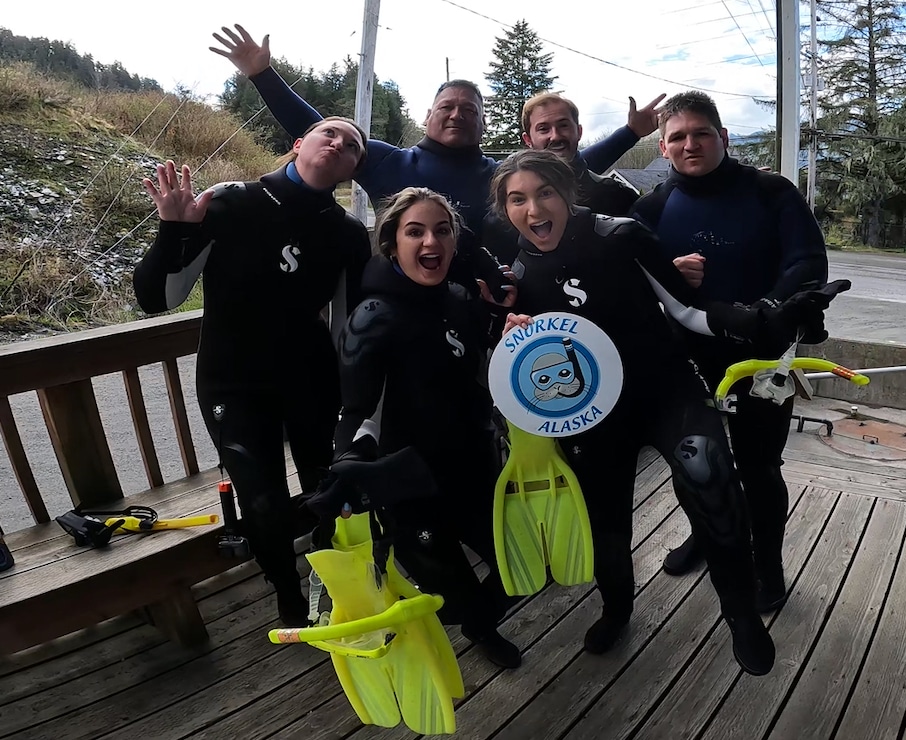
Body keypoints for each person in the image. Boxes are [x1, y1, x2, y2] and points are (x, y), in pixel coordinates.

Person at [490, 149, 847, 675]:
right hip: (594, 409)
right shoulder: (517, 267)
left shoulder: (621, 236)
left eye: (544, 192)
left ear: (567, 194)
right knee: (604, 515)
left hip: (665, 388)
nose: (533, 208)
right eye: (517, 198)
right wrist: (513, 337)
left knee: (709, 473)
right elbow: (535, 350)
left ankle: (740, 609)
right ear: (504, 208)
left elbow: (689, 310)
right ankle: (617, 608)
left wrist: (761, 321)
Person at [132, 117, 372, 627]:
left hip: (309, 378)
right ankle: (287, 594)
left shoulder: (349, 233)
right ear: (297, 144)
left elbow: (347, 325)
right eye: (329, 133)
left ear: (355, 168)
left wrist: (352, 400)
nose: (339, 143)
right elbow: (157, 299)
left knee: (328, 489)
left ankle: (333, 581)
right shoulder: (231, 201)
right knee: (261, 502)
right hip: (233, 381)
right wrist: (172, 229)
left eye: (352, 145)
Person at [208, 24, 662, 269]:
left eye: (470, 109)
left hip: (486, 304)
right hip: (400, 303)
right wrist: (262, 76)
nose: (457, 113)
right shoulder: (387, 161)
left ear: (484, 125)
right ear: (428, 116)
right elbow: (321, 134)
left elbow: (565, 165)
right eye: (447, 106)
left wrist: (630, 133)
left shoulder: (500, 174)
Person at [630, 91, 828, 613]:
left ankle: (768, 566)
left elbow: (807, 261)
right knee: (692, 463)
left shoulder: (769, 191)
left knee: (760, 468)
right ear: (664, 148)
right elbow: (631, 279)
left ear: (724, 137)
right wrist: (668, 270)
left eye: (700, 133)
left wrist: (767, 310)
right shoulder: (650, 209)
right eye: (677, 137)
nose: (689, 144)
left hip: (762, 354)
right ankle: (707, 535)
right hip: (686, 358)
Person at [332, 187, 521, 669]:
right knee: (454, 598)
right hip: (412, 486)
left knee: (523, 567)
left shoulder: (457, 299)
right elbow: (358, 408)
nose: (430, 241)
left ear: (455, 244)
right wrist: (349, 462)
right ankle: (476, 624)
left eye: (442, 230)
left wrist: (509, 334)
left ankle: (478, 624)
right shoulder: (373, 317)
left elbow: (482, 368)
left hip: (474, 471)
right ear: (391, 243)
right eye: (414, 231)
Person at [484, 92, 642, 265]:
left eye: (563, 126)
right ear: (528, 140)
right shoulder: (502, 219)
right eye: (544, 129)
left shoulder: (616, 195)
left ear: (579, 132)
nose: (555, 136)